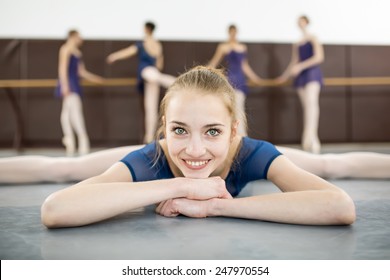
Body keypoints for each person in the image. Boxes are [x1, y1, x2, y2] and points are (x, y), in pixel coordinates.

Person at [36, 66, 358, 228]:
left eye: (212, 131)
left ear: (233, 131)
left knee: (329, 164)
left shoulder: (250, 152)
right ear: (164, 126)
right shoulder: (152, 158)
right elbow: (55, 209)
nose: (194, 149)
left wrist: (215, 206)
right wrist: (177, 186)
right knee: (66, 168)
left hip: (234, 156)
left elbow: (339, 206)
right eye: (180, 129)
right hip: (165, 162)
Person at [106, 22, 176, 144]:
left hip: (148, 72)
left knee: (152, 103)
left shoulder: (143, 43)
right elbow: (160, 65)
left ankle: (174, 82)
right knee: (150, 108)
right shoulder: (157, 45)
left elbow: (127, 52)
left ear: (146, 29)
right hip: (152, 75)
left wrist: (114, 56)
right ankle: (148, 138)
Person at [276, 15, 324, 154]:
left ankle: (311, 139)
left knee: (312, 104)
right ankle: (310, 139)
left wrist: (301, 66)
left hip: (312, 74)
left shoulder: (313, 37)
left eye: (302, 21)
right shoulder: (297, 43)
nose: (300, 23)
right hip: (301, 77)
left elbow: (319, 57)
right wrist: (284, 76)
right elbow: (294, 61)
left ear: (307, 22)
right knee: (307, 107)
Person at [208, 24, 263, 136]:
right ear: (228, 32)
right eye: (231, 32)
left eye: (234, 32)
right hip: (229, 80)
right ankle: (233, 134)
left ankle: (242, 135)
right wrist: (203, 71)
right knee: (230, 108)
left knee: (239, 107)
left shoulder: (242, 47)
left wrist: (255, 78)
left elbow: (244, 66)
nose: (233, 34)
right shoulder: (223, 47)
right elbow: (214, 63)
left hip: (240, 80)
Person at [55, 30, 104, 156]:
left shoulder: (77, 53)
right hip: (69, 84)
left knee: (69, 114)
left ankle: (74, 140)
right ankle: (75, 140)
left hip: (73, 84)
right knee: (68, 114)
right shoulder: (65, 49)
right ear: (72, 36)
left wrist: (95, 79)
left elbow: (81, 72)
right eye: (78, 36)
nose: (80, 39)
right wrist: (65, 86)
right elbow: (62, 68)